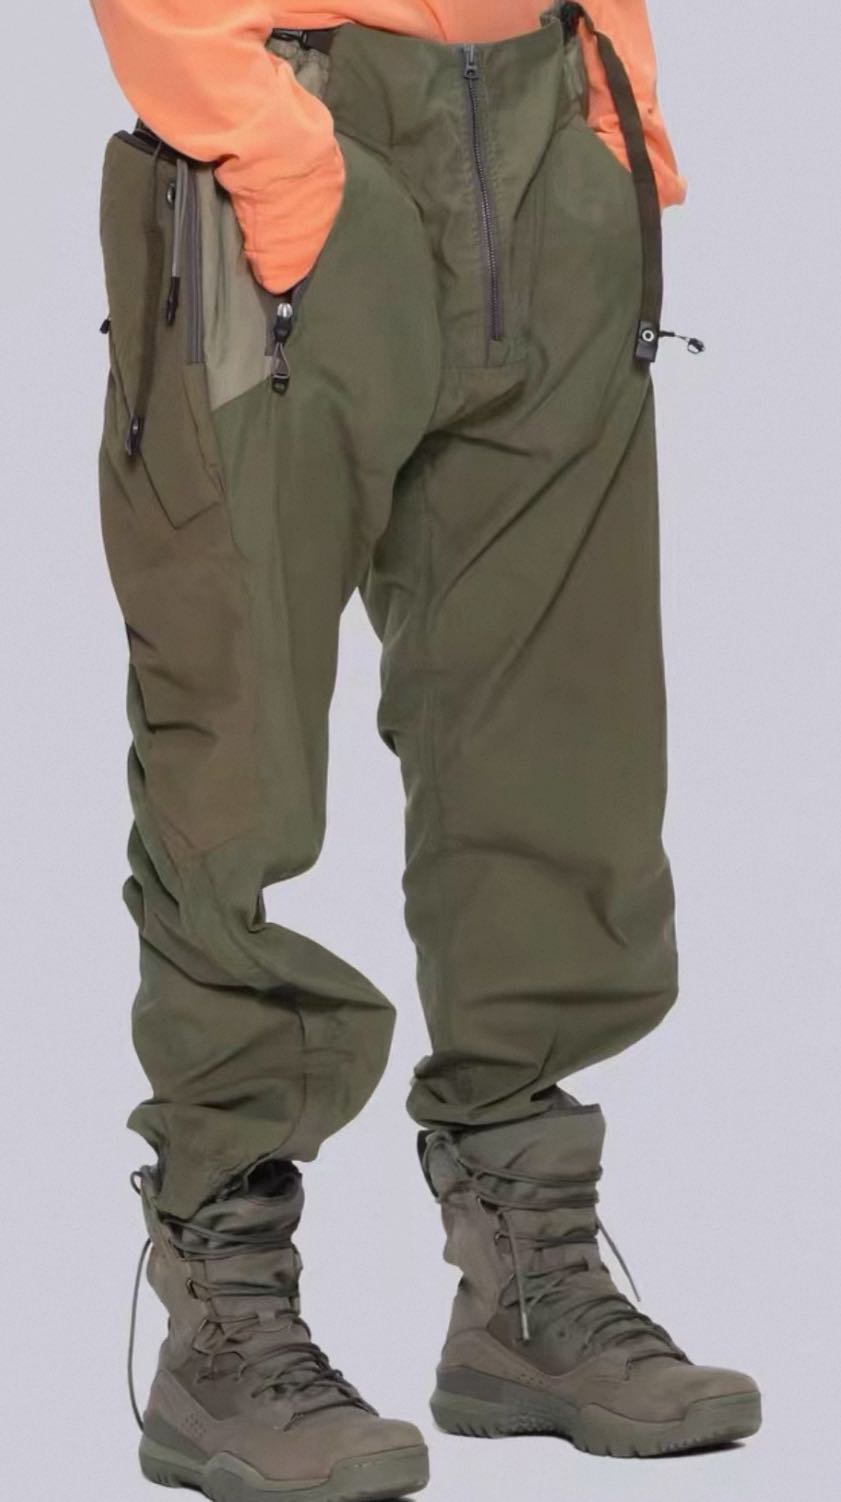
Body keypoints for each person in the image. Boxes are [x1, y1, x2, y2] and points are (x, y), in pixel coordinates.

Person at [91, 2, 761, 1496]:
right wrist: (268, 141)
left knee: (560, 741)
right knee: (234, 745)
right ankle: (222, 1306)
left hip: (544, 125)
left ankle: (529, 1280)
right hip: (286, 125)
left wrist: (609, 103)